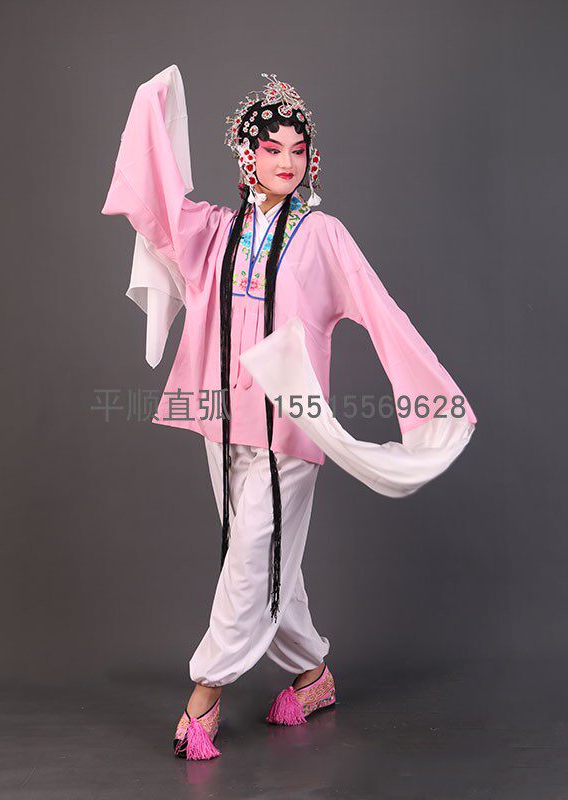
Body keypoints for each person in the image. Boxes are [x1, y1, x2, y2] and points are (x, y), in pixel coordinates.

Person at [101, 66, 478, 760]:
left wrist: (431, 402)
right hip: (218, 414)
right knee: (269, 558)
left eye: (297, 150)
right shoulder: (213, 231)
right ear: (246, 157)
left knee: (252, 556)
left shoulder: (323, 235)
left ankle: (205, 691)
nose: (286, 161)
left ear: (312, 159)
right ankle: (312, 675)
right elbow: (155, 205)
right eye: (271, 149)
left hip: (291, 422)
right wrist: (153, 105)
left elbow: (381, 313)